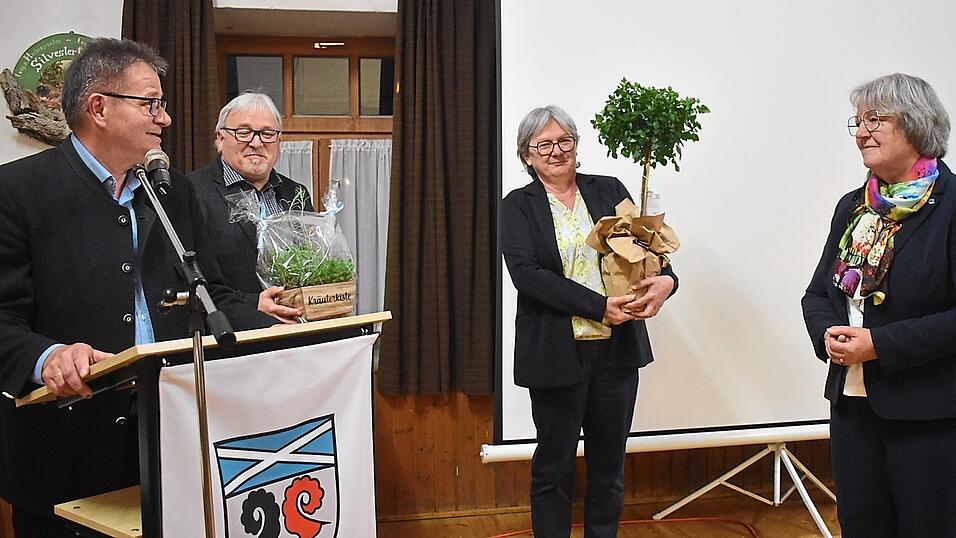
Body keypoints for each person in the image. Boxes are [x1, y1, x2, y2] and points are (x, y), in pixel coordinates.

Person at [0, 38, 274, 537]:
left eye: (162, 105)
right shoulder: (17, 191)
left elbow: (209, 293)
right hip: (67, 453)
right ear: (98, 107)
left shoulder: (172, 190)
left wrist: (276, 320)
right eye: (151, 104)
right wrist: (49, 357)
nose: (164, 119)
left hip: (170, 439)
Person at [500, 105, 678, 537]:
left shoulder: (608, 189)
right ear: (527, 154)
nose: (557, 151)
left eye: (566, 141)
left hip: (615, 353)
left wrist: (668, 281)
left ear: (577, 146)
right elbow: (529, 276)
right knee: (554, 468)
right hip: (556, 354)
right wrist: (599, 306)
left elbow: (646, 250)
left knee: (608, 468)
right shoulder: (517, 206)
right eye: (545, 144)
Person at [802, 73, 956, 537]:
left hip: (930, 415)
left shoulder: (951, 206)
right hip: (852, 408)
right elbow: (817, 295)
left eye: (876, 119)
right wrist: (828, 333)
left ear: (915, 124)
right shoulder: (854, 206)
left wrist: (880, 344)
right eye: (858, 121)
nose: (862, 131)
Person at [189, 92, 312, 324]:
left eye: (267, 133)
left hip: (296, 336)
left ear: (279, 142)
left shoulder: (297, 194)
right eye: (243, 132)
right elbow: (191, 282)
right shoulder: (192, 192)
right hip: (231, 342)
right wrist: (253, 303)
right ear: (220, 138)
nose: (256, 143)